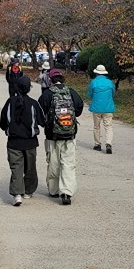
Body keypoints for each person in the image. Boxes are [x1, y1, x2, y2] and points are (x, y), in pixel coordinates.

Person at [0, 75, 46, 206]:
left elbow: (3, 122)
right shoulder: (33, 103)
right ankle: (28, 191)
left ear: (17, 88)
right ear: (29, 89)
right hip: (30, 142)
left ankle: (17, 194)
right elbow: (42, 121)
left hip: (13, 142)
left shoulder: (10, 102)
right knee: (30, 167)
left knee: (16, 167)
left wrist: (7, 129)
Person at [39, 68, 83, 205]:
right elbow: (79, 109)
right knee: (68, 163)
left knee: (53, 163)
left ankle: (54, 190)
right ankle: (66, 192)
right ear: (63, 79)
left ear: (51, 80)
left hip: (52, 135)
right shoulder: (72, 92)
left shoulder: (47, 94)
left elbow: (40, 113)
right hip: (70, 134)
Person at [87, 64, 116, 153]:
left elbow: (90, 94)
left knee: (96, 126)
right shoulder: (110, 82)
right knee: (108, 126)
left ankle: (97, 144)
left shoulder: (93, 82)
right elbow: (113, 93)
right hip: (108, 107)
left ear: (96, 73)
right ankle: (108, 143)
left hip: (96, 107)